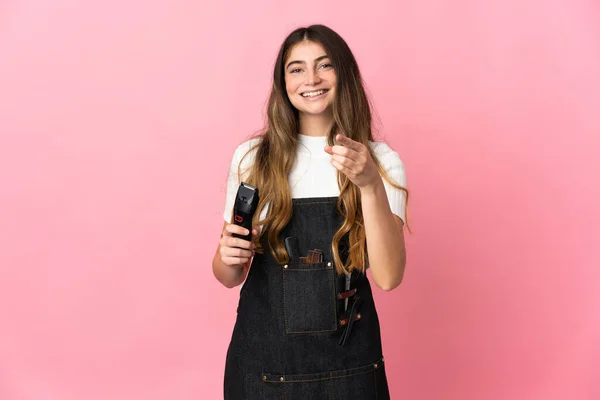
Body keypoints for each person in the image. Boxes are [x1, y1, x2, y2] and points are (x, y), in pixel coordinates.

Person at [212, 24, 409, 400]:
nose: (312, 79)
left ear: (344, 74)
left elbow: (388, 276)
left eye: (324, 65)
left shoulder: (380, 161)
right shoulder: (253, 158)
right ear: (282, 81)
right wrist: (228, 256)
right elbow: (227, 275)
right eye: (297, 68)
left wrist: (369, 183)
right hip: (265, 372)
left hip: (350, 370)